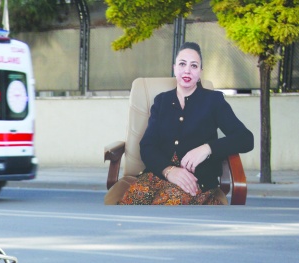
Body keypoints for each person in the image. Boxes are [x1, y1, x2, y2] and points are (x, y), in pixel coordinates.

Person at [106, 42, 254, 205]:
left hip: (195, 181)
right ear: (175, 68)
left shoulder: (213, 101)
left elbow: (246, 138)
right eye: (182, 64)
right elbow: (147, 145)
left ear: (200, 72)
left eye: (194, 66)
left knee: (164, 207)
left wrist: (207, 148)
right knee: (128, 208)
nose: (187, 70)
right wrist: (168, 171)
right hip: (157, 176)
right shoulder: (162, 101)